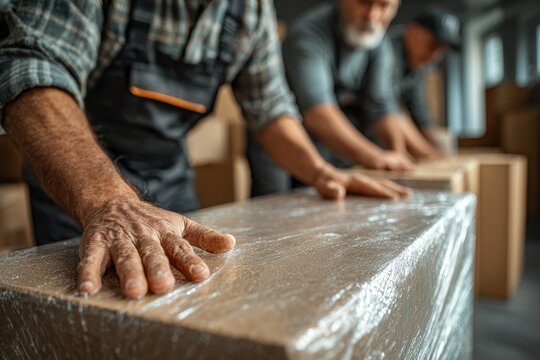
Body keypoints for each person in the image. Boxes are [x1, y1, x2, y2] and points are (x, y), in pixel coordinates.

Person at [0, 0, 411, 299]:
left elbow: (270, 108)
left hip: (168, 172)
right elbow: (34, 63)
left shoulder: (250, 11)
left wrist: (322, 172)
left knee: (193, 295)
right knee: (95, 307)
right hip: (81, 179)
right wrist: (108, 201)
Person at [247, 0, 415, 197]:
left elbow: (382, 106)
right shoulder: (308, 34)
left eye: (384, 6)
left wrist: (398, 157)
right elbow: (318, 113)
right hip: (278, 139)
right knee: (274, 204)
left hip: (328, 142)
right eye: (364, 3)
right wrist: (375, 157)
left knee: (330, 201)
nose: (372, 16)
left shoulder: (379, 44)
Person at [389, 7, 461, 158]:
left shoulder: (416, 66)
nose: (434, 55)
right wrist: (429, 152)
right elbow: (386, 109)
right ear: (413, 31)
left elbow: (419, 111)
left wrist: (438, 145)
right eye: (433, 44)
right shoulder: (386, 53)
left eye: (441, 49)